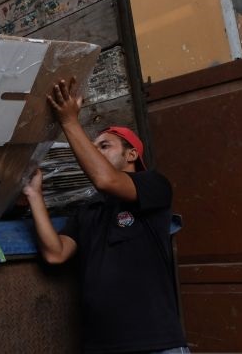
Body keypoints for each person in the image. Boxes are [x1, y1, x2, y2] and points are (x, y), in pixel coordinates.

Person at [24, 77, 188, 354]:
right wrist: (33, 194)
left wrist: (68, 121)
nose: (96, 151)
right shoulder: (89, 210)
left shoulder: (154, 186)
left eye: (105, 146)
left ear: (131, 154)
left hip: (156, 345)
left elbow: (106, 180)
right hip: (102, 347)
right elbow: (56, 253)